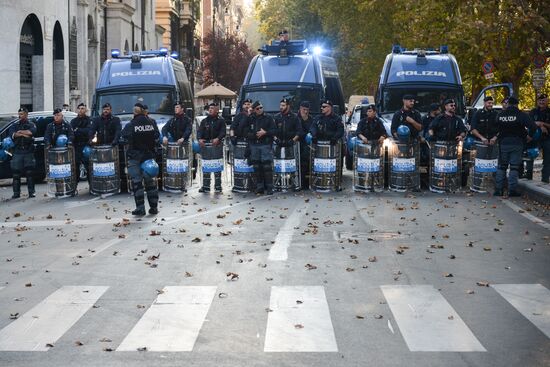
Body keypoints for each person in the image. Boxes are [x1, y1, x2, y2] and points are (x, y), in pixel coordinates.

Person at [121, 103, 160, 215]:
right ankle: (154, 207)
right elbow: (157, 136)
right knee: (151, 182)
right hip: (149, 156)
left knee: (137, 183)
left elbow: (123, 136)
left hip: (135, 157)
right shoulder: (151, 122)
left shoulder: (131, 124)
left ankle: (140, 208)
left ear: (134, 112)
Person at [494, 96, 537, 197]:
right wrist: (529, 136)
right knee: (514, 167)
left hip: (503, 143)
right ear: (517, 104)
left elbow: (494, 127)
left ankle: (498, 190)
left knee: (501, 167)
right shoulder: (521, 114)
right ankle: (512, 190)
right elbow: (533, 126)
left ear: (508, 104)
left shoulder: (500, 115)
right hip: (517, 143)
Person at [246, 101, 277, 194]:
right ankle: (260, 187)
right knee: (257, 166)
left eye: (261, 107)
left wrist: (265, 133)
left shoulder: (268, 118)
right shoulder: (251, 118)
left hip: (265, 144)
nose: (260, 110)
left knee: (267, 166)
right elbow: (245, 130)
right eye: (257, 108)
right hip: (254, 145)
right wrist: (249, 114)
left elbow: (275, 130)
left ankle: (270, 187)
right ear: (254, 110)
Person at [8, 107, 37, 199]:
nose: (20, 116)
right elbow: (13, 134)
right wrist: (23, 134)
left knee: (30, 173)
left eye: (22, 114)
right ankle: (16, 193)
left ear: (26, 114)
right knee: (16, 174)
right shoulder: (15, 125)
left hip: (28, 151)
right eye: (19, 114)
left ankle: (31, 192)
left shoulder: (31, 124)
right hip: (17, 151)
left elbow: (31, 132)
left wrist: (20, 132)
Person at [197, 103, 226, 193]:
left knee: (216, 166)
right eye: (209, 108)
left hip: (216, 146)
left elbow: (223, 132)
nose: (210, 110)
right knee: (206, 167)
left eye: (212, 108)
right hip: (206, 147)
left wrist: (218, 138)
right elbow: (200, 131)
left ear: (217, 110)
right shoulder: (204, 121)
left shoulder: (221, 121)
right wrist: (199, 139)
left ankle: (218, 186)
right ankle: (206, 187)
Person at [70, 103, 92, 190]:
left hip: (86, 145)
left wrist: (78, 130)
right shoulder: (73, 121)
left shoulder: (89, 120)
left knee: (89, 167)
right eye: (79, 108)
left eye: (83, 108)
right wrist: (81, 131)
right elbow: (72, 133)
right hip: (76, 146)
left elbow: (88, 131)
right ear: (77, 110)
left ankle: (92, 187)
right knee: (75, 168)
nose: (81, 110)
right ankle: (74, 188)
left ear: (85, 110)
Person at [529, 94, 550, 183]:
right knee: (530, 156)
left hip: (547, 139)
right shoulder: (533, 111)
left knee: (547, 159)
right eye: (540, 101)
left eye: (543, 100)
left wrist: (542, 123)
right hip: (534, 138)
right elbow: (528, 123)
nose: (541, 102)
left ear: (547, 101)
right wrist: (538, 125)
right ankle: (528, 176)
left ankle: (545, 179)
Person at [298, 101, 313, 190]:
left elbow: (312, 130)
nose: (305, 112)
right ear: (300, 109)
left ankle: (304, 184)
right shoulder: (296, 118)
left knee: (305, 164)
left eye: (307, 110)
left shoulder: (311, 119)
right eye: (304, 110)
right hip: (297, 143)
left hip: (306, 145)